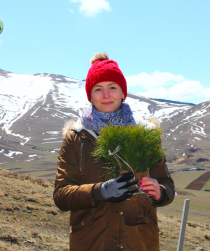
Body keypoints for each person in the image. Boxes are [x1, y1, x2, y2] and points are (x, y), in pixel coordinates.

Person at [53, 53, 175, 251]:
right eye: (98, 89)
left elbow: (167, 184)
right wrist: (100, 191)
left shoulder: (145, 135)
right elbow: (61, 195)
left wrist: (160, 192)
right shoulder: (77, 137)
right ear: (90, 95)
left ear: (123, 92)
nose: (106, 95)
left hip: (139, 243)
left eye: (112, 87)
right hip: (91, 243)